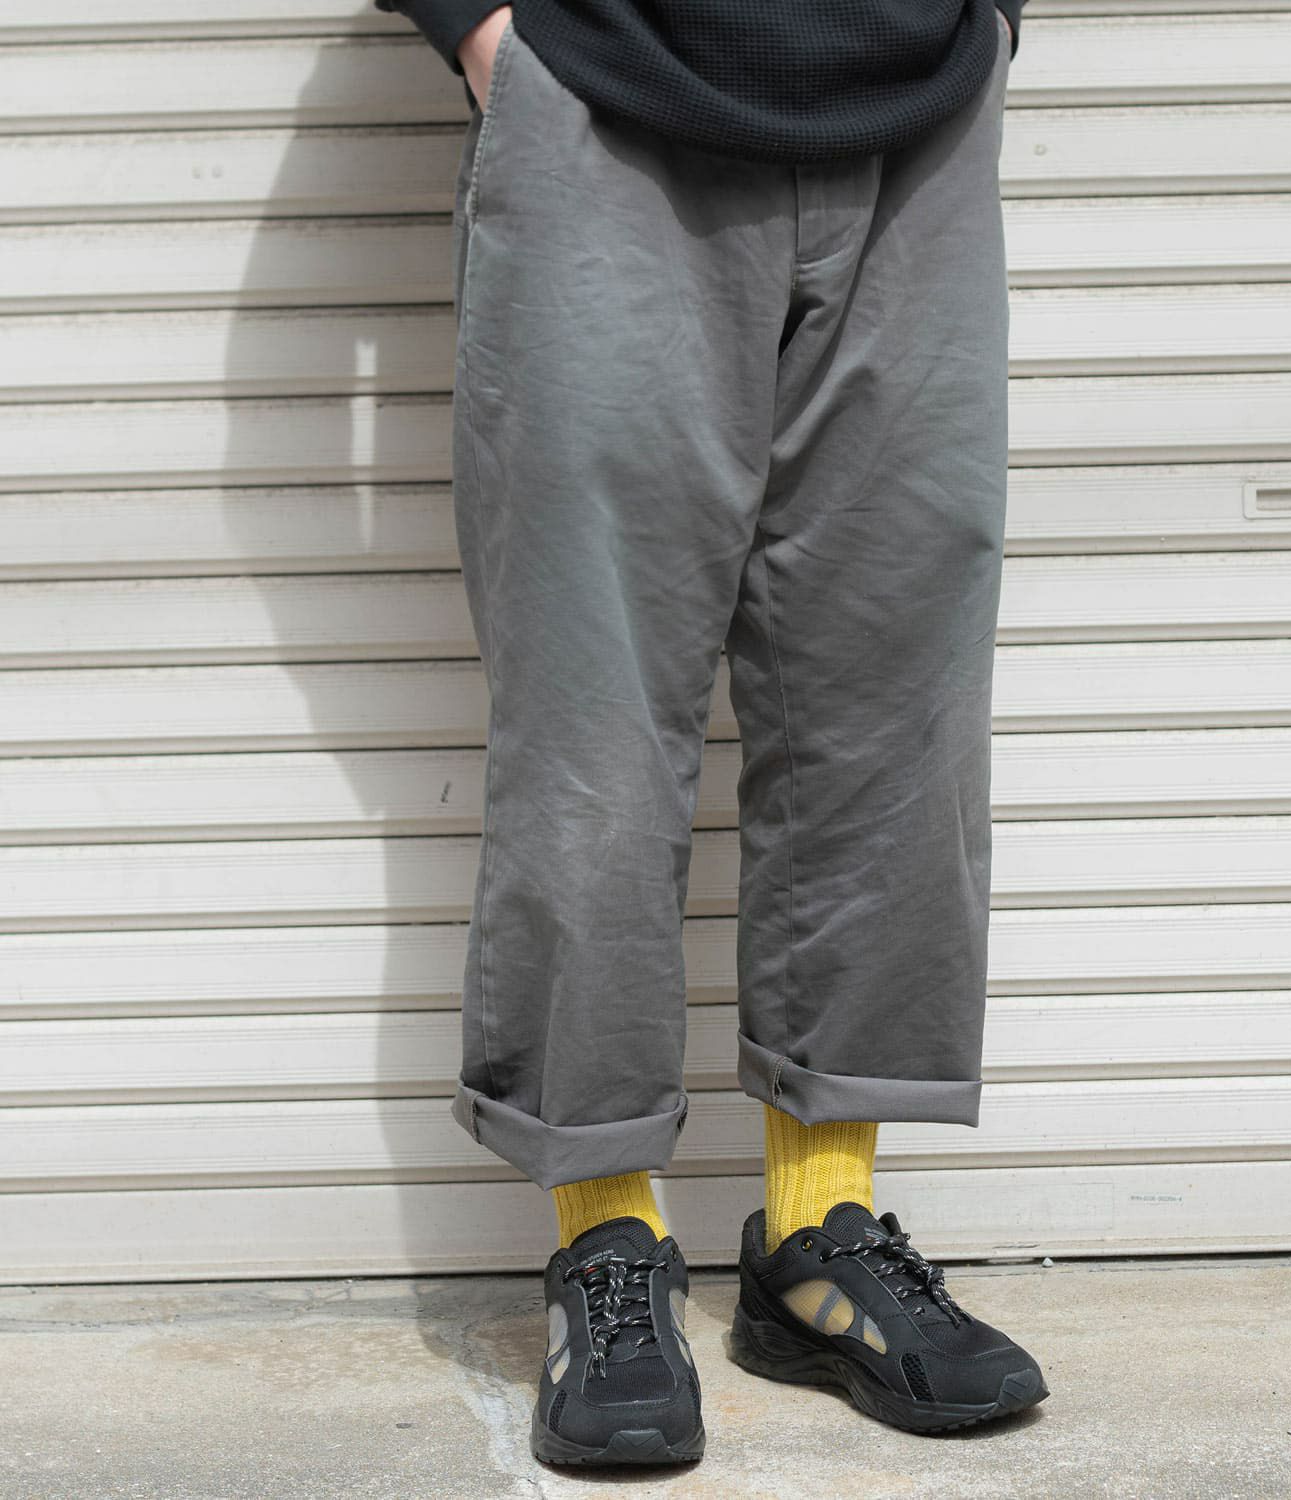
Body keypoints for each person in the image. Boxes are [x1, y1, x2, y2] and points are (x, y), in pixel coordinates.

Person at [374, 0, 1047, 1466]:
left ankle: (819, 1234)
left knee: (897, 709)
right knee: (594, 721)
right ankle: (606, 1237)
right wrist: (485, 30)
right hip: (604, 99)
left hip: (919, 114)